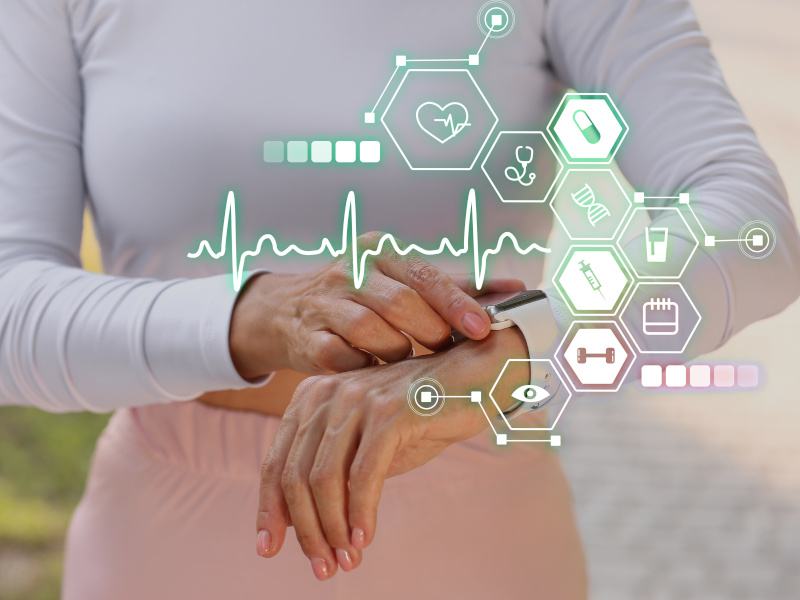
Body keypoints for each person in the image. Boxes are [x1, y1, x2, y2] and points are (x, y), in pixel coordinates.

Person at [1, 0, 798, 598]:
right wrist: (253, 317)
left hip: (477, 541)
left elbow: (750, 224)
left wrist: (511, 355)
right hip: (161, 549)